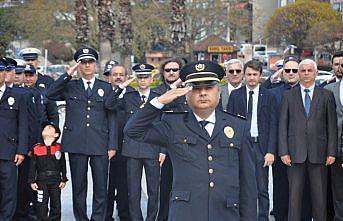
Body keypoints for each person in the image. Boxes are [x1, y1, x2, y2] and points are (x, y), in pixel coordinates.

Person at [123, 60, 257, 221]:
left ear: (219, 92)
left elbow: (248, 183)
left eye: (208, 87)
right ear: (186, 94)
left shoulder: (238, 126)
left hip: (226, 213)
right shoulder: (174, 124)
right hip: (186, 213)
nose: (202, 93)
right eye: (196, 88)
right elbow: (132, 130)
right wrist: (158, 102)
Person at [46, 47, 117, 221]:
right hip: (76, 142)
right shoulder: (70, 86)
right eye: (83, 62)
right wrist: (68, 74)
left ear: (96, 65)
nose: (87, 66)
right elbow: (50, 93)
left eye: (90, 62)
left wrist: (113, 144)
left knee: (101, 186)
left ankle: (98, 218)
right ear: (78, 65)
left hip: (100, 142)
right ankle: (81, 218)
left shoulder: (106, 87)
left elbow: (112, 117)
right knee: (79, 186)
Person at [279, 59, 337, 221]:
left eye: (309, 71)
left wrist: (331, 151)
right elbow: (283, 125)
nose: (305, 74)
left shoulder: (326, 95)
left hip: (319, 153)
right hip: (294, 154)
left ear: (315, 73)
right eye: (302, 71)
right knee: (294, 198)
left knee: (319, 198)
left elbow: (332, 126)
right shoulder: (288, 96)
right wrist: (283, 151)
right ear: (298, 73)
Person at [106, 63, 165, 221]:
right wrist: (121, 86)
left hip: (152, 148)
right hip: (132, 149)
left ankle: (151, 218)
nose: (143, 80)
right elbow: (109, 104)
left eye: (146, 76)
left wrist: (163, 150)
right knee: (133, 190)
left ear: (151, 78)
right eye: (139, 77)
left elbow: (163, 124)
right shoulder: (128, 97)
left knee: (154, 189)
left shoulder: (158, 97)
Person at [227, 59, 277, 221]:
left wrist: (270, 151)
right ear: (244, 76)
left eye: (255, 75)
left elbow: (273, 125)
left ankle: (263, 218)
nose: (251, 78)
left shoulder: (269, 96)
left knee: (262, 188)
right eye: (248, 74)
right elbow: (230, 123)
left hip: (261, 147)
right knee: (242, 185)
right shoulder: (236, 95)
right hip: (242, 146)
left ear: (260, 76)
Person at [270, 56, 312, 221]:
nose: (292, 73)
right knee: (281, 189)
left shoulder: (309, 91)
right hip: (282, 150)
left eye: (295, 70)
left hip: (305, 150)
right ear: (283, 72)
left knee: (304, 190)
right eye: (287, 70)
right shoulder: (273, 93)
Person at [153, 57, 187, 221]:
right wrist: (173, 88)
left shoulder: (187, 90)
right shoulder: (158, 91)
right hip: (164, 148)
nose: (172, 72)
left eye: (175, 70)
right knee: (165, 188)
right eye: (168, 70)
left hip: (186, 146)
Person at [0, 58, 29, 221]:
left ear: (5, 73)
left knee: (8, 191)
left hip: (9, 152)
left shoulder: (17, 96)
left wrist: (21, 150)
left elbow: (23, 125)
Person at [106, 64, 133, 221]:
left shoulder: (132, 95)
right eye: (114, 74)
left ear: (126, 77)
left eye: (121, 74)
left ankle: (124, 214)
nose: (118, 77)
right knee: (106, 184)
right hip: (107, 146)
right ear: (109, 77)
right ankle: (106, 215)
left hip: (126, 146)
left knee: (124, 183)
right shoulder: (105, 94)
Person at [28, 121, 67, 221]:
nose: (46, 128)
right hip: (42, 181)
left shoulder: (59, 148)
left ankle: (55, 219)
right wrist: (32, 181)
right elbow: (33, 166)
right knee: (41, 203)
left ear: (56, 134)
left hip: (55, 180)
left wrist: (63, 179)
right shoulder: (36, 148)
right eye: (44, 128)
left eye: (50, 127)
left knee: (56, 204)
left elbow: (63, 164)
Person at [324, 58, 343, 221]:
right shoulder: (329, 89)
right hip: (335, 148)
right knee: (336, 191)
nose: (340, 68)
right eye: (337, 64)